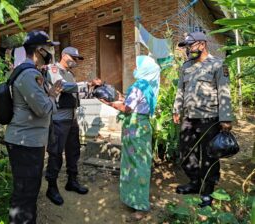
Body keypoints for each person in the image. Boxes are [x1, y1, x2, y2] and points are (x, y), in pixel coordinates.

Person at [4, 30, 62, 224]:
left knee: (28, 191)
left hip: (29, 141)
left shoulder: (32, 73)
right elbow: (43, 109)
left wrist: (49, 93)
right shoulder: (29, 74)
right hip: (24, 143)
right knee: (25, 193)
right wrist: (52, 96)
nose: (50, 53)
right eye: (48, 48)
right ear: (39, 50)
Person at [173, 31, 233, 207]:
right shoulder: (186, 66)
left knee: (209, 156)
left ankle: (208, 190)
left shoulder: (218, 65)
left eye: (190, 46)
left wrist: (226, 118)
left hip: (210, 118)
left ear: (202, 44)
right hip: (189, 117)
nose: (188, 50)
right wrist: (176, 109)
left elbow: (224, 93)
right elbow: (180, 90)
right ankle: (194, 182)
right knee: (185, 152)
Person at [100, 55, 160, 221]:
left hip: (135, 128)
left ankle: (140, 206)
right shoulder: (150, 85)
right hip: (143, 126)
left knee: (136, 164)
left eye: (138, 65)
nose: (135, 68)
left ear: (144, 69)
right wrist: (120, 97)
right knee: (138, 162)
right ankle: (134, 200)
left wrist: (108, 102)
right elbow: (135, 102)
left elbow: (127, 108)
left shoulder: (139, 85)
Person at [45, 46, 97, 206]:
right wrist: (85, 85)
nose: (75, 61)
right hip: (58, 119)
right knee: (55, 154)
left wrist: (92, 89)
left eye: (77, 59)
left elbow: (75, 92)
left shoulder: (70, 74)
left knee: (73, 152)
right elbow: (62, 86)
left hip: (72, 119)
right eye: (73, 57)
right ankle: (51, 187)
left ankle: (72, 181)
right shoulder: (53, 69)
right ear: (64, 55)